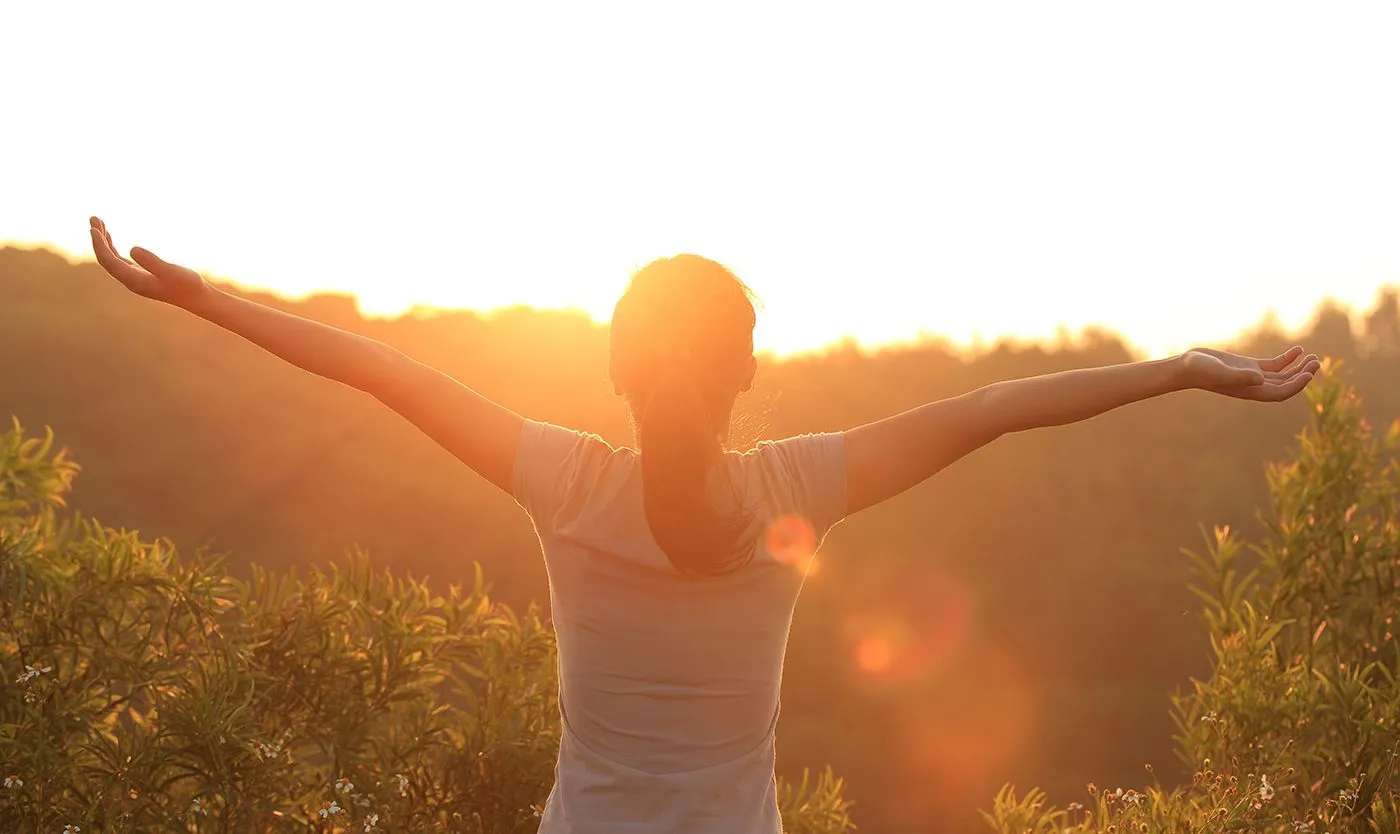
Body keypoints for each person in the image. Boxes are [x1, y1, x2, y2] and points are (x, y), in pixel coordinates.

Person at [84, 216, 1320, 833]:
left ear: (618, 374)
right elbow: (994, 408)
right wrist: (1177, 368)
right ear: (742, 376)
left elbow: (379, 370)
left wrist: (201, 300)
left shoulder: (561, 481)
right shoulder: (795, 489)